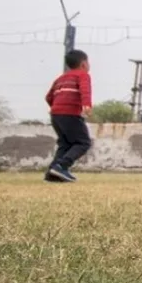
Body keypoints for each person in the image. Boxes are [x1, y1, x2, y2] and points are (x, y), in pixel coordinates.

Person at [45, 50, 93, 183]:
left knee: (65, 144)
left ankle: (52, 173)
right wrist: (86, 105)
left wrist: (56, 108)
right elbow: (85, 90)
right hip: (70, 114)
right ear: (83, 64)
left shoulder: (60, 78)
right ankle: (62, 166)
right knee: (83, 142)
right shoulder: (83, 75)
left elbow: (48, 97)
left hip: (56, 115)